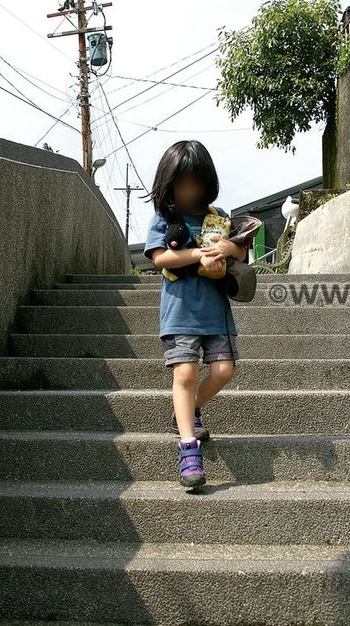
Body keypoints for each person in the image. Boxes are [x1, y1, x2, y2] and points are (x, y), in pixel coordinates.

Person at [142, 140, 246, 489]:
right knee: (184, 374)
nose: (189, 190)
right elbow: (159, 259)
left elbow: (242, 259)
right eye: (181, 183)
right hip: (179, 313)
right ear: (168, 184)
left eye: (195, 182)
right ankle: (188, 446)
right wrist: (197, 255)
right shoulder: (165, 219)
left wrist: (231, 248)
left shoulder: (219, 219)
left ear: (207, 182)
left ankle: (184, 410)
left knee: (224, 371)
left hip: (216, 312)